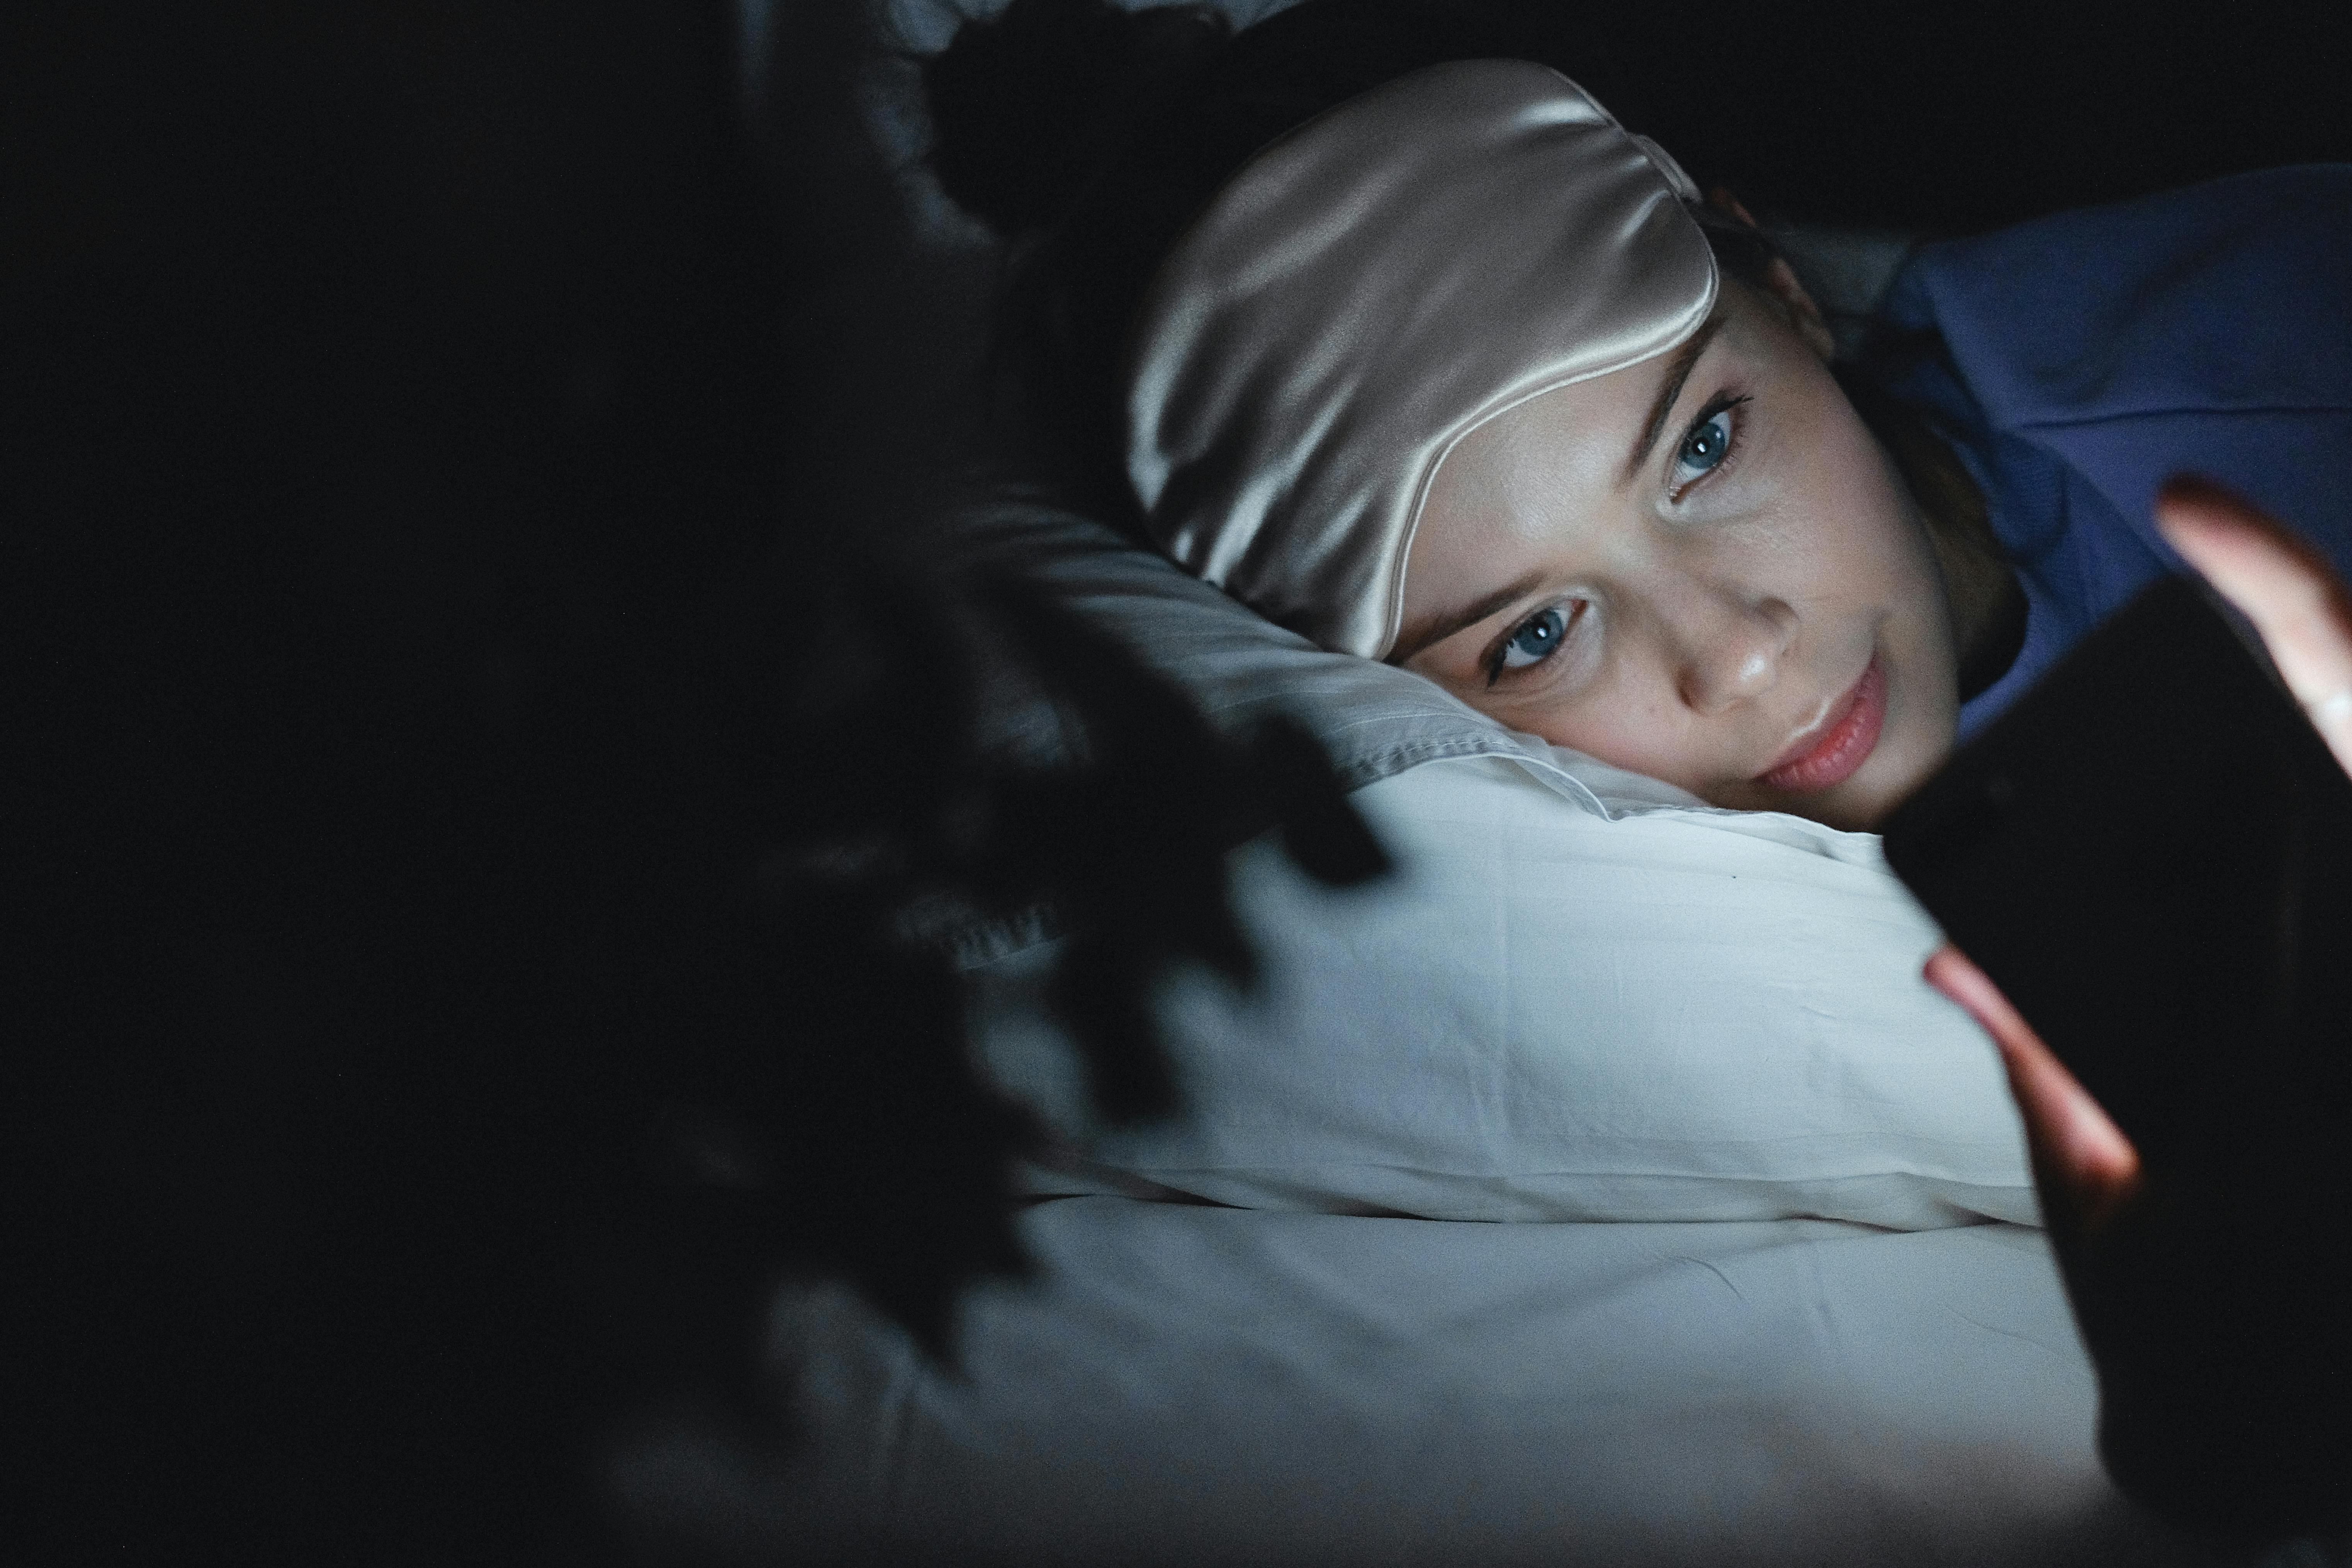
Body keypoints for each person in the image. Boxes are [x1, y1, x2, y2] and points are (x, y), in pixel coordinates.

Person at [924, 0, 2352, 1535]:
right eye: (1535, 634)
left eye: (1701, 444)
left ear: (1780, 287)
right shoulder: (1702, 947)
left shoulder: (2285, 370)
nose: (1732, 656)